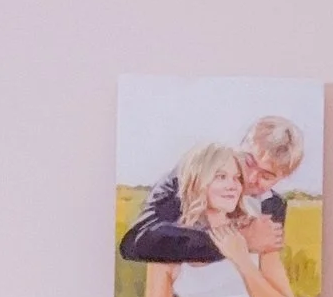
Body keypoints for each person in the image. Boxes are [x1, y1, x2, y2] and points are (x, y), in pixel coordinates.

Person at [137, 140, 298, 297]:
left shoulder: (257, 233)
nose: (233, 186)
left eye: (237, 178)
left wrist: (242, 260)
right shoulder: (171, 243)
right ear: (198, 181)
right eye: (221, 177)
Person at [117, 108, 304, 269]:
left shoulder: (273, 206)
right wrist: (238, 241)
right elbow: (136, 242)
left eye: (266, 176)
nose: (251, 177)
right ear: (240, 146)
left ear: (282, 179)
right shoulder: (191, 175)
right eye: (248, 161)